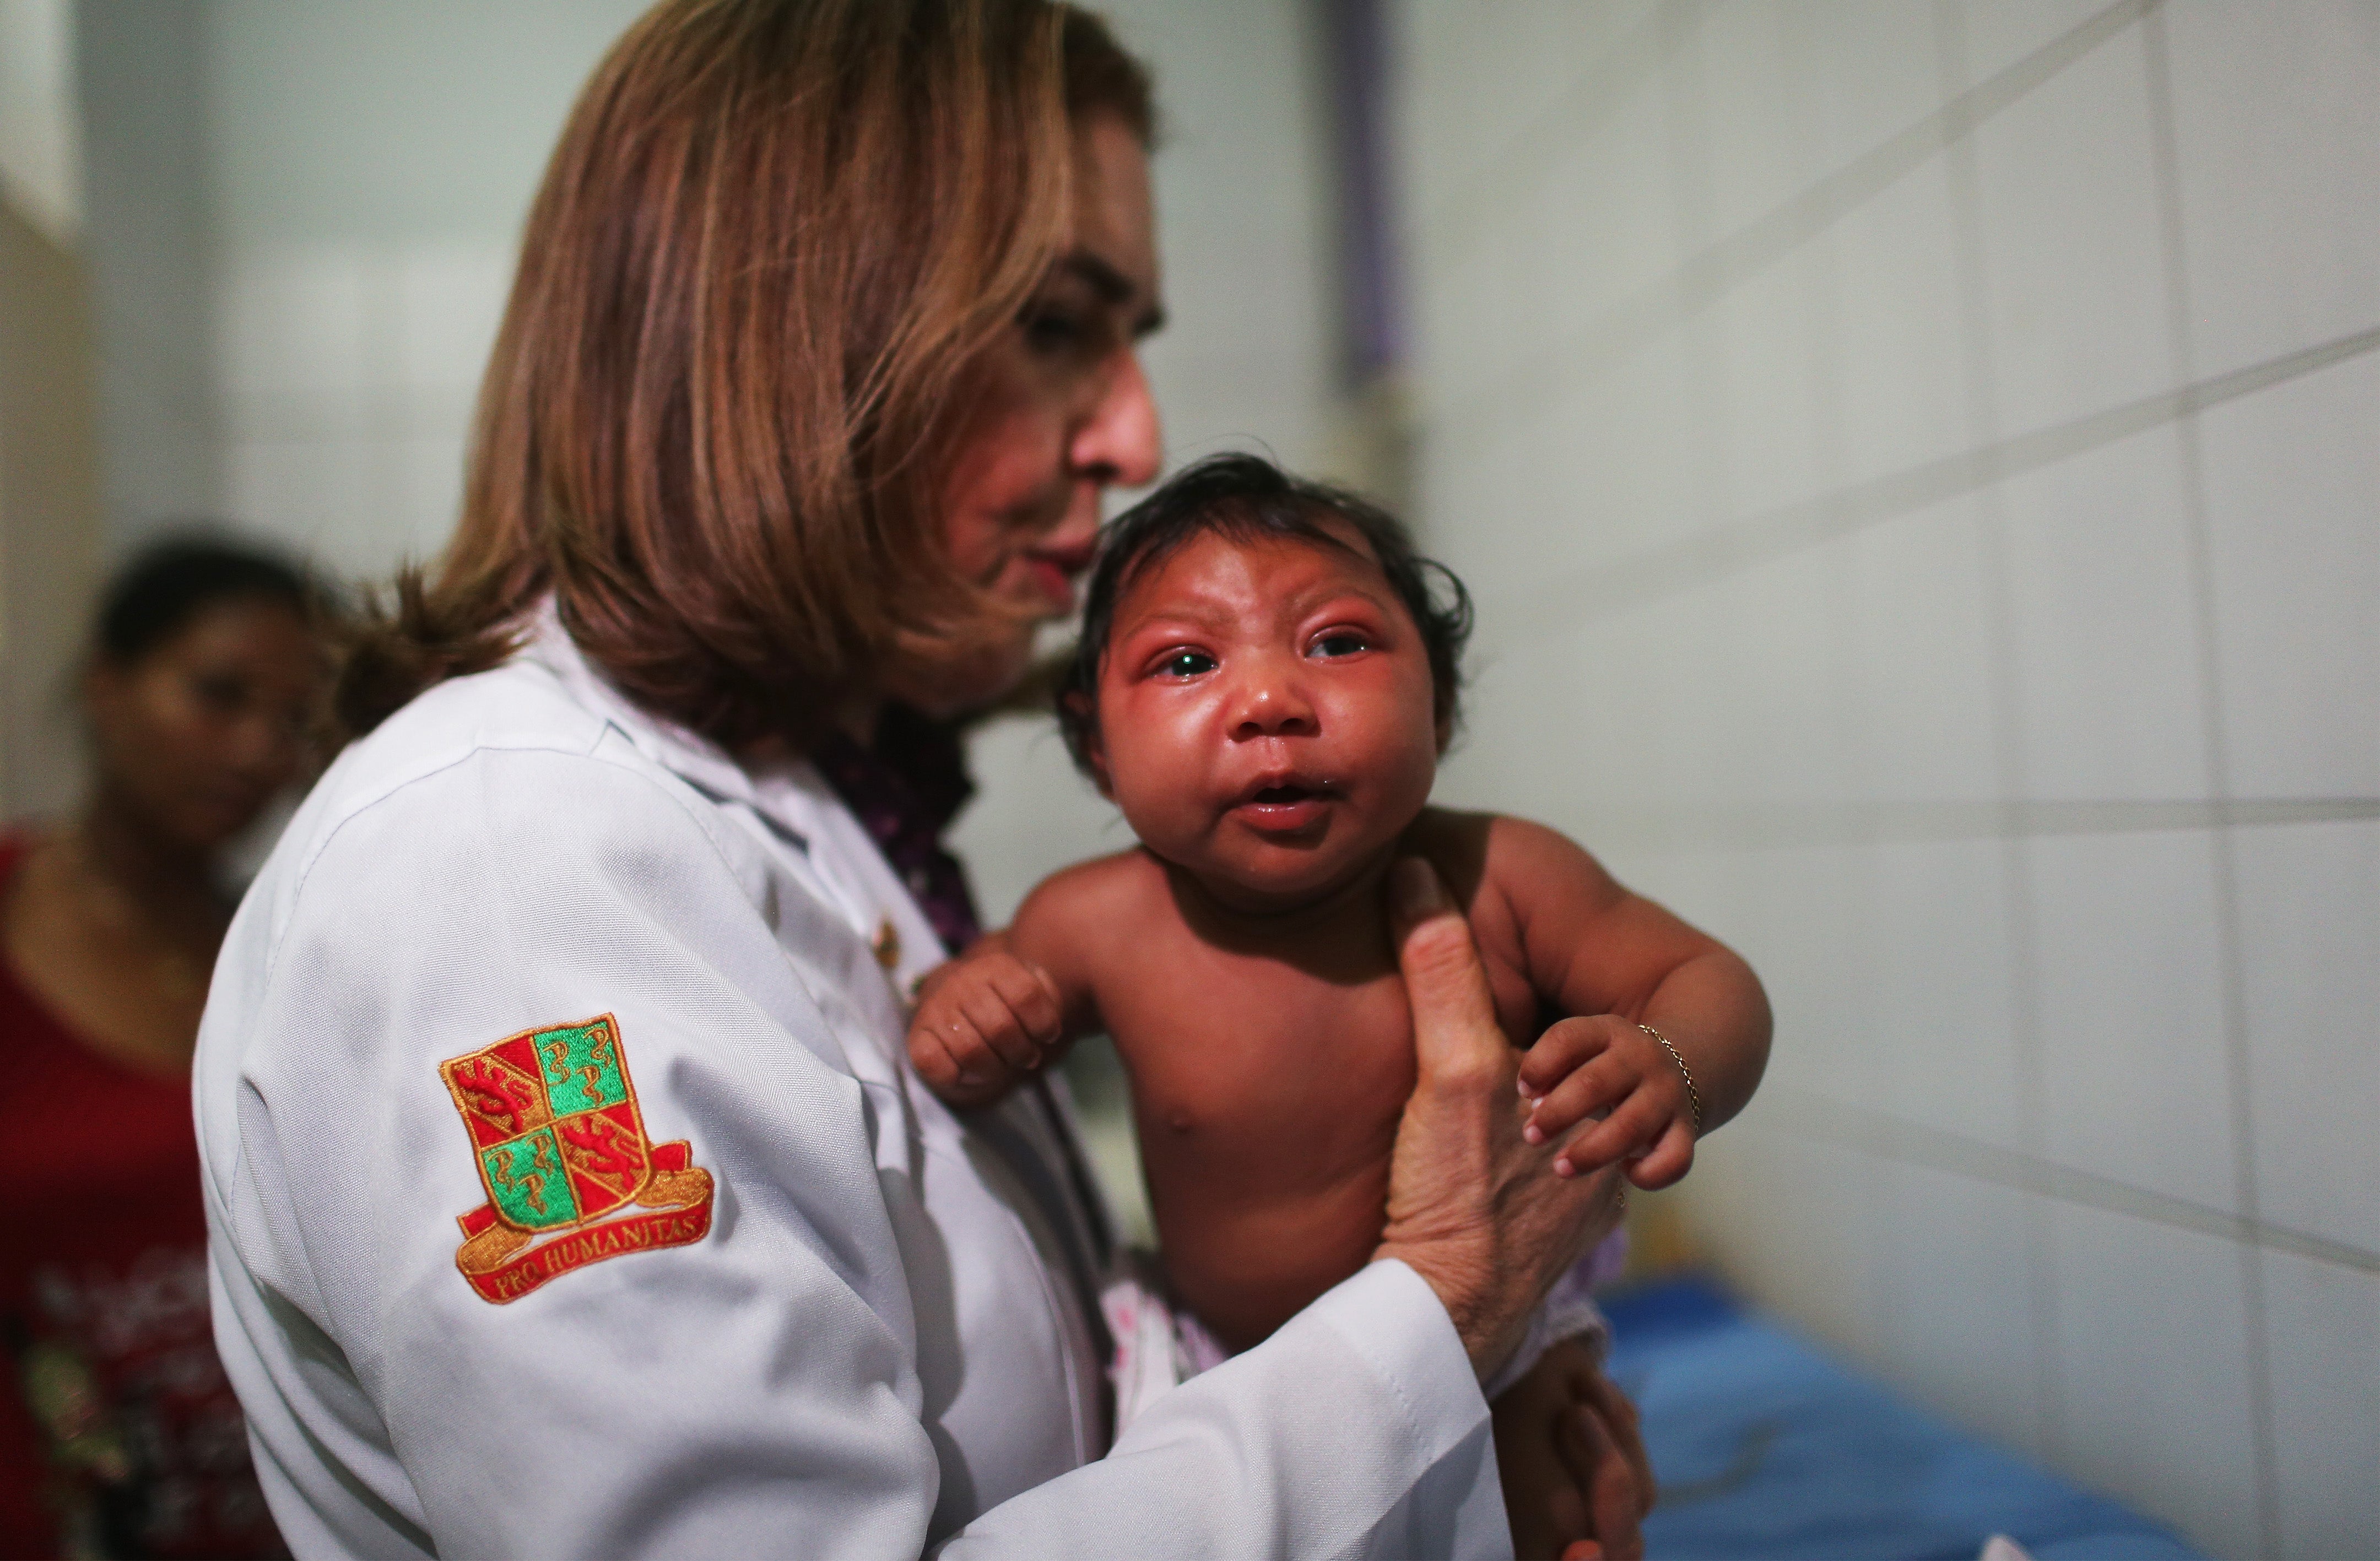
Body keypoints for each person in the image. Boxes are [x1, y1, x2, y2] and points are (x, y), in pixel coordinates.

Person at [194, 3, 1643, 1557]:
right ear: (776, 331)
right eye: (1053, 326)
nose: (1136, 434)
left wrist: (1455, 1473)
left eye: (1129, 341)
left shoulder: (806, 808)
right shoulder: (496, 882)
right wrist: (1438, 1303)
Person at [905, 454, 1771, 1555]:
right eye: (1185, 661)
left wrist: (1668, 1062)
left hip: (1494, 1350)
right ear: (1095, 746)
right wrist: (966, 1013)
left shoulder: (1504, 875)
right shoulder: (1093, 923)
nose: (1270, 701)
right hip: (1218, 1369)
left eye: (1339, 642)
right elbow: (954, 1028)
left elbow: (1711, 983)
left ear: (1442, 702)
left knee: (1553, 1506)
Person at [2, 536, 325, 1559]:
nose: (254, 753)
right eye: (217, 694)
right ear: (107, 683)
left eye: (291, 722)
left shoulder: (286, 954)